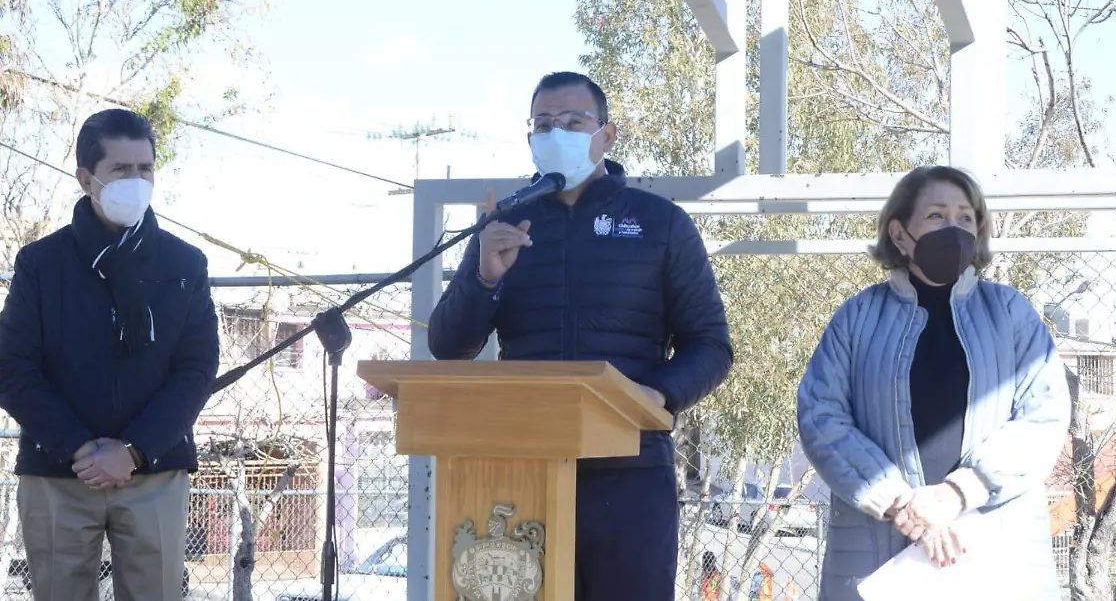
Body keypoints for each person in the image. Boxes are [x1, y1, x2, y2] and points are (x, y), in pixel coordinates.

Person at [429, 71, 734, 600]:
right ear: (529, 140)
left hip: (629, 467)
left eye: (573, 122)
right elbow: (448, 346)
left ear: (607, 136)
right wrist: (484, 278)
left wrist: (656, 396)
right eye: (544, 124)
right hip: (521, 467)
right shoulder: (503, 225)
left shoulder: (659, 223)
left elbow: (711, 344)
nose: (557, 134)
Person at [795, 165, 1069, 601]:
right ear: (900, 234)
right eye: (937, 216)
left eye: (966, 217)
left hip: (995, 553)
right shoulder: (857, 317)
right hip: (879, 553)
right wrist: (901, 504)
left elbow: (1045, 415)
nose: (954, 227)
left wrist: (957, 494)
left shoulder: (1012, 312)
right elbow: (820, 415)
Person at [0, 108, 219, 601]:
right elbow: (13, 367)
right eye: (121, 169)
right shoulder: (40, 264)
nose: (136, 180)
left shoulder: (185, 263)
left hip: (155, 470)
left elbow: (197, 367)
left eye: (145, 169)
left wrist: (135, 449)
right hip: (59, 472)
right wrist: (80, 449)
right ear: (87, 178)